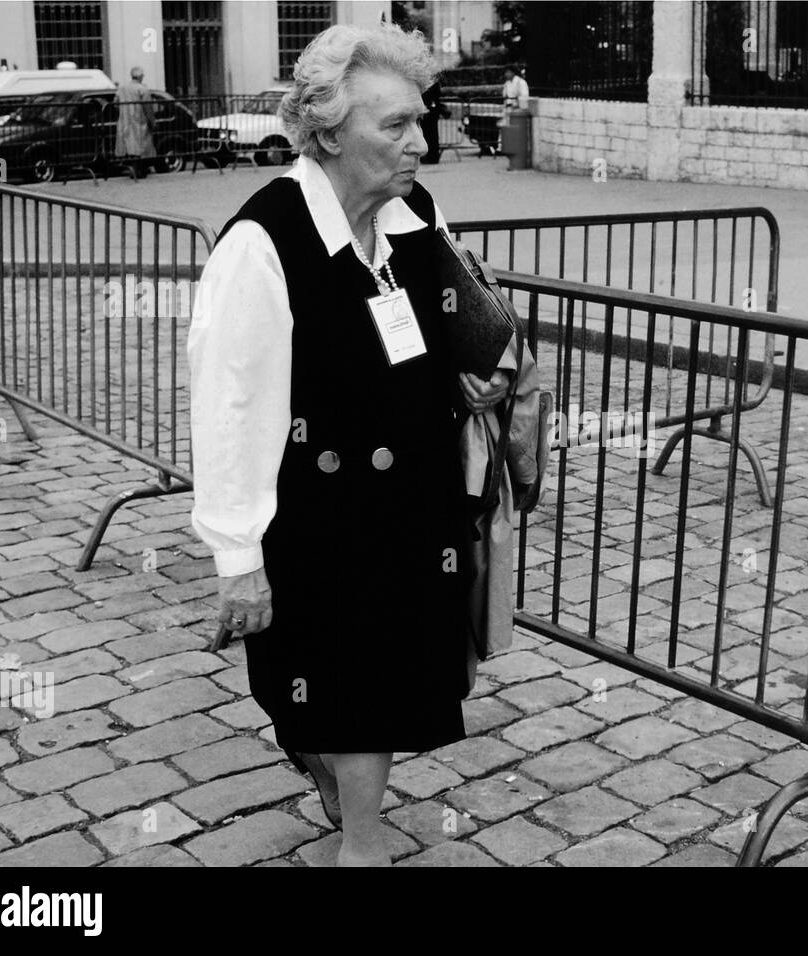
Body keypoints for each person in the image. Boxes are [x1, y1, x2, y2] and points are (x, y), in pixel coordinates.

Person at [187, 22, 513, 868]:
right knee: (315, 687)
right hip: (316, 515)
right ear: (328, 132)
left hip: (411, 507)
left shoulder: (415, 215)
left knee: (378, 682)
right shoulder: (262, 245)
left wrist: (474, 377)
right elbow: (228, 407)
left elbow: (454, 332)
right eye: (395, 126)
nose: (422, 142)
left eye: (422, 119)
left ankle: (359, 840)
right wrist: (237, 555)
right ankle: (343, 798)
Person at [114, 66, 156, 175]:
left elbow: (115, 103)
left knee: (129, 146)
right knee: (141, 146)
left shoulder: (122, 89)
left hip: (125, 121)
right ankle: (139, 170)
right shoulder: (142, 89)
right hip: (139, 121)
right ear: (140, 76)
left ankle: (133, 169)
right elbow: (148, 107)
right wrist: (152, 121)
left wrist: (123, 111)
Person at [419, 77, 448, 165]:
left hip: (429, 111)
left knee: (430, 135)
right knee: (432, 135)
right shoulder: (433, 82)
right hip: (432, 111)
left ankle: (431, 156)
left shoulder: (428, 83)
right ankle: (432, 156)